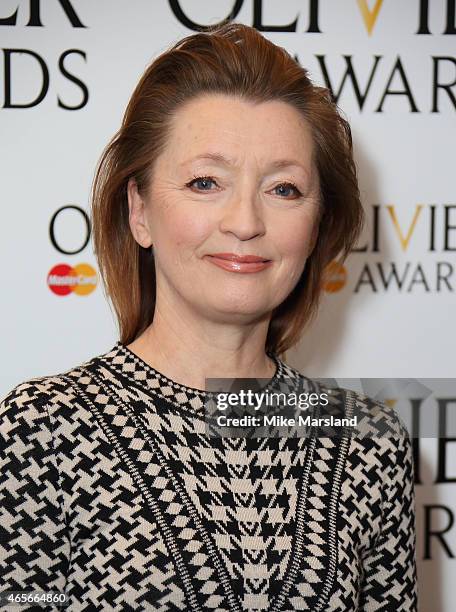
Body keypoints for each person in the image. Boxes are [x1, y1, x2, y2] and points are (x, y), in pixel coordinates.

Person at [0, 21, 417, 611]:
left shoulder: (370, 446)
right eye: (205, 182)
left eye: (285, 189)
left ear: (318, 225)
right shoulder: (42, 431)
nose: (245, 222)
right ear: (139, 211)